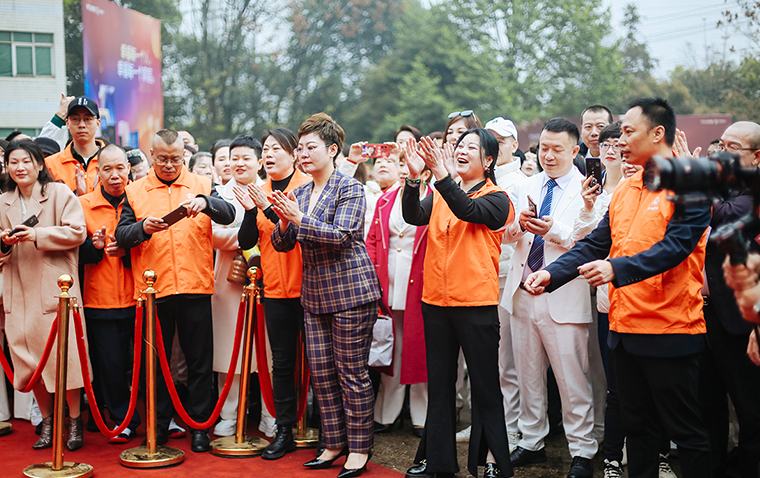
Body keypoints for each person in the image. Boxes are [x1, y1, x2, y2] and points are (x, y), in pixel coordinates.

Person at [524, 98, 713, 478]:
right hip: (623, 330)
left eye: (628, 131)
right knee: (637, 428)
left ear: (657, 133)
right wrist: (553, 274)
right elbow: (596, 243)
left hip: (669, 330)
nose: (618, 140)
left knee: (685, 432)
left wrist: (615, 268)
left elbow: (675, 248)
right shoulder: (626, 188)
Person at [269, 112, 382, 478]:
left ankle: (359, 449)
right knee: (321, 375)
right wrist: (283, 218)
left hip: (351, 292)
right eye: (299, 148)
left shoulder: (350, 187)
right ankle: (332, 444)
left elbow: (342, 236)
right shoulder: (300, 192)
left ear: (333, 150)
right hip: (315, 295)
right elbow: (282, 244)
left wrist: (299, 218)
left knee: (351, 374)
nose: (303, 154)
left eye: (310, 147)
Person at [115, 129, 235, 453]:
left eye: (176, 159)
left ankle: (200, 427)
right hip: (154, 290)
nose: (169, 165)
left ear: (184, 156)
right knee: (155, 363)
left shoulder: (202, 184)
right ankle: (158, 426)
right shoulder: (134, 190)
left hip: (195, 285)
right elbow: (121, 234)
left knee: (199, 361)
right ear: (152, 156)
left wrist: (206, 203)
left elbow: (229, 214)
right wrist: (142, 228)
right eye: (163, 159)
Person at [402, 130, 514, 478]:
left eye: (471, 148)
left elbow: (467, 210)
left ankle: (494, 462)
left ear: (489, 160)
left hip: (476, 304)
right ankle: (437, 462)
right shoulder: (439, 192)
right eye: (460, 146)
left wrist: (441, 174)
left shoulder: (498, 198)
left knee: (485, 387)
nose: (462, 151)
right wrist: (413, 179)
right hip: (436, 302)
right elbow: (412, 216)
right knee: (439, 386)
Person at [500, 118, 597, 478]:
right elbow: (505, 235)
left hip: (563, 294)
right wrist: (519, 225)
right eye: (544, 148)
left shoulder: (587, 188)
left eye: (558, 149)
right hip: (523, 290)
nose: (549, 155)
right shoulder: (525, 184)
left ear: (575, 150)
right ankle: (531, 440)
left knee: (572, 379)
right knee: (527, 373)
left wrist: (552, 230)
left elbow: (589, 241)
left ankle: (582, 450)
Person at [0, 140, 88, 450]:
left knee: (66, 358)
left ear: (40, 165)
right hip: (18, 289)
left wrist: (37, 234)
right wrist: (5, 242)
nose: (20, 167)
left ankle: (75, 421)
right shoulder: (3, 201)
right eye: (13, 162)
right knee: (30, 362)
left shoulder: (59, 194)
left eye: (26, 161)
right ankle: (48, 422)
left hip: (55, 288)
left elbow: (78, 231)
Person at [236, 128, 311, 460]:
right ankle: (284, 431)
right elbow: (246, 241)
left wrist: (266, 207)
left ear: (294, 155)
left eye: (276, 148)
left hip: (310, 287)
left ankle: (327, 429)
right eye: (265, 149)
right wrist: (250, 210)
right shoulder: (259, 190)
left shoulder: (307, 187)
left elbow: (295, 232)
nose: (268, 154)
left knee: (319, 361)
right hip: (276, 289)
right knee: (282, 363)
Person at [698, 121, 760, 477]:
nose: (723, 153)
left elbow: (723, 218)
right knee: (708, 404)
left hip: (743, 320)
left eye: (733, 147)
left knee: (750, 408)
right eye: (721, 145)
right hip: (705, 314)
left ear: (757, 156)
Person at [207, 135, 272, 439]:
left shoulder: (270, 192)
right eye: (234, 158)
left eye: (246, 158)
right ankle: (229, 414)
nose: (239, 163)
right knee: (227, 351)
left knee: (269, 350)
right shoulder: (218, 194)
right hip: (227, 280)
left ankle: (270, 414)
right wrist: (248, 237)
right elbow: (211, 235)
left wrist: (242, 233)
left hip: (268, 280)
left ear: (260, 162)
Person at [365, 150, 432, 439]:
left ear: (426, 173)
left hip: (422, 284)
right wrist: (373, 277)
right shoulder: (385, 200)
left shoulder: (436, 199)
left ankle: (422, 416)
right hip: (388, 283)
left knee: (421, 350)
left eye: (411, 165)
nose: (405, 169)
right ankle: (385, 414)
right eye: (400, 163)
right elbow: (372, 241)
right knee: (390, 349)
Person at [78, 144, 139, 444]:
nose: (114, 175)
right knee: (110, 365)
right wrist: (95, 247)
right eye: (107, 169)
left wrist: (126, 252)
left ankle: (152, 416)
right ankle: (121, 420)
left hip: (139, 295)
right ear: (97, 173)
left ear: (128, 169)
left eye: (120, 168)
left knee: (143, 364)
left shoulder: (140, 199)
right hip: (99, 298)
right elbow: (74, 253)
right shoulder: (83, 204)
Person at [45, 96, 105, 195]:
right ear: (67, 123)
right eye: (75, 119)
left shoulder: (113, 161)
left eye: (87, 119)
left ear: (98, 123)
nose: (81, 125)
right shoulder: (50, 164)